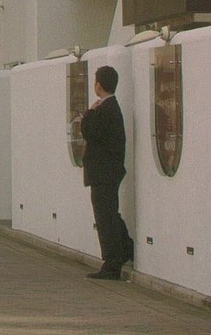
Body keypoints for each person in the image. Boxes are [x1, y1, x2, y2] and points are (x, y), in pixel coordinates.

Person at [81, 65, 134, 280]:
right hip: (108, 172)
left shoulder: (105, 109)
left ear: (99, 85)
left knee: (105, 217)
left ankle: (112, 262)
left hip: (104, 173)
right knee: (110, 213)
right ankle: (126, 248)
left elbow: (88, 132)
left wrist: (89, 112)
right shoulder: (111, 108)